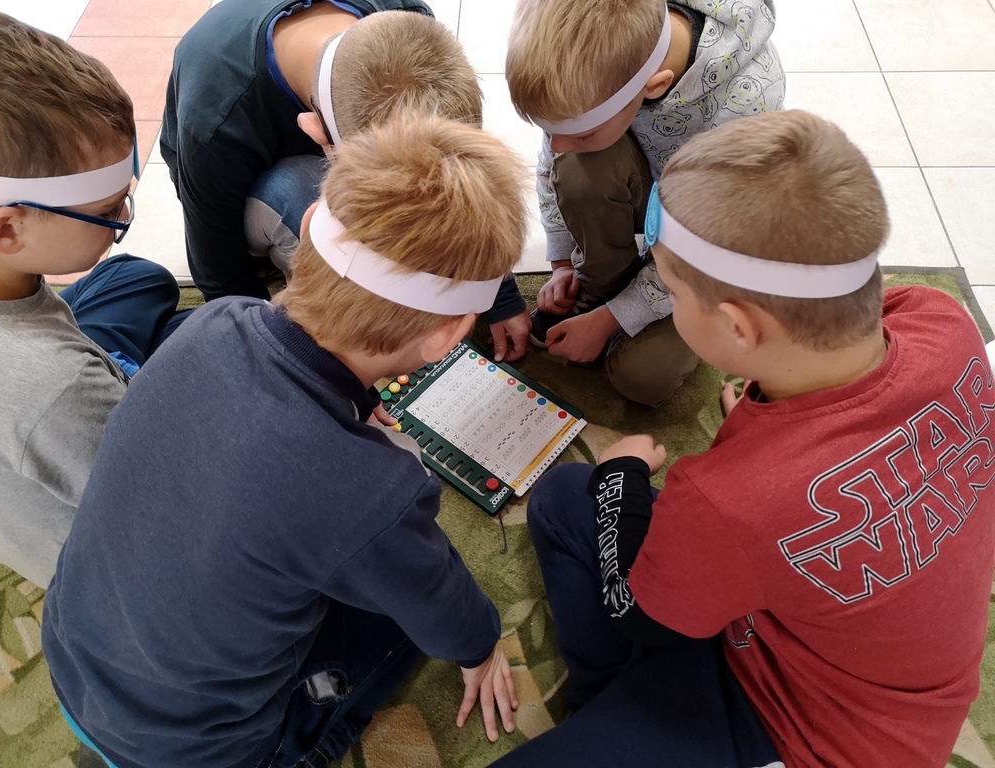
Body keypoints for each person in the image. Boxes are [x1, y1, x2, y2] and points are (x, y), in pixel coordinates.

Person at [492, 110, 995, 767]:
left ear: (736, 327)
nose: (669, 302)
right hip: (824, 650)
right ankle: (622, 709)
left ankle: (629, 712)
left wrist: (621, 477)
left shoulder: (726, 499)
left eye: (672, 293)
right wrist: (770, 415)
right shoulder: (940, 319)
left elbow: (637, 613)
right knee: (565, 496)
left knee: (592, 497)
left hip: (804, 735)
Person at [43, 114, 527, 768]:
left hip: (76, 665)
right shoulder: (373, 493)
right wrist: (481, 646)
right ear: (447, 337)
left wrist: (350, 416)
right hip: (199, 750)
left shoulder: (214, 321)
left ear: (309, 229)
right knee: (399, 613)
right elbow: (439, 602)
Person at [162, 0, 531, 361]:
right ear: (316, 132)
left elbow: (462, 172)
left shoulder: (408, 19)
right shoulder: (215, 129)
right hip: (249, 190)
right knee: (295, 188)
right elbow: (221, 279)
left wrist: (499, 295)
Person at [0, 10, 187, 588]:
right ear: (6, 230)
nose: (122, 218)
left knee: (136, 277)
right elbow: (181, 503)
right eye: (108, 212)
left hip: (24, 409)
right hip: (115, 565)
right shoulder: (52, 386)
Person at [505, 0, 786, 405]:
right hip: (661, 192)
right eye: (551, 131)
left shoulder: (746, 107)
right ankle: (603, 285)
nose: (557, 146)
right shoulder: (595, 63)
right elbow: (556, 156)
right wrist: (563, 261)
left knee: (642, 378)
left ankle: (618, 302)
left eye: (581, 133)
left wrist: (612, 319)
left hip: (719, 244)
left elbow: (703, 249)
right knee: (577, 167)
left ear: (654, 86)